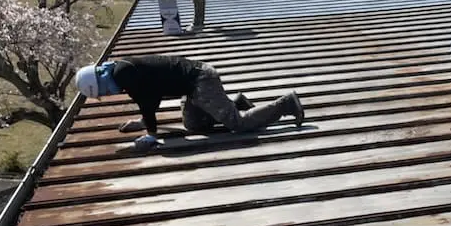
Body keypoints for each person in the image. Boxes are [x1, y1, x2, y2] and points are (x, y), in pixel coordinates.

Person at [74, 56, 305, 152]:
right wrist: (143, 123)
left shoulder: (123, 75)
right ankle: (235, 102)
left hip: (200, 80)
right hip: (189, 87)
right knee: (194, 127)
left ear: (99, 84)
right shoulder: (119, 71)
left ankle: (286, 104)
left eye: (101, 93)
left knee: (238, 124)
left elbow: (147, 102)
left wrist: (150, 134)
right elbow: (150, 98)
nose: (105, 96)